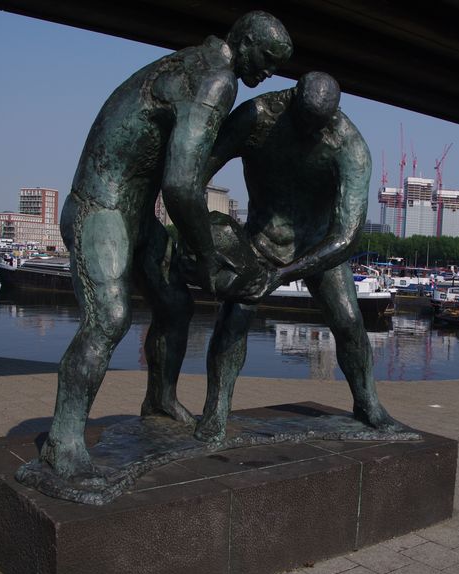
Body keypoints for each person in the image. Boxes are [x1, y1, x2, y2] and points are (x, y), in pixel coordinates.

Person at [40, 12, 292, 481]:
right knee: (109, 320)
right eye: (268, 59)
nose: (270, 72)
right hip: (101, 208)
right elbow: (179, 184)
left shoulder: (194, 63)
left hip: (136, 214)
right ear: (245, 42)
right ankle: (63, 440)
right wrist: (208, 252)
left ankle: (159, 398)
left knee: (175, 304)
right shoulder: (216, 80)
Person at [195, 71, 398, 443]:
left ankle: (367, 402)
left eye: (322, 124)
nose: (312, 132)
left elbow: (347, 237)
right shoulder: (257, 118)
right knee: (233, 322)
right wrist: (208, 237)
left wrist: (282, 275)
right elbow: (198, 170)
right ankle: (216, 410)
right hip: (261, 239)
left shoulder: (350, 147)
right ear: (291, 99)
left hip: (319, 243)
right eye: (305, 121)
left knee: (349, 322)